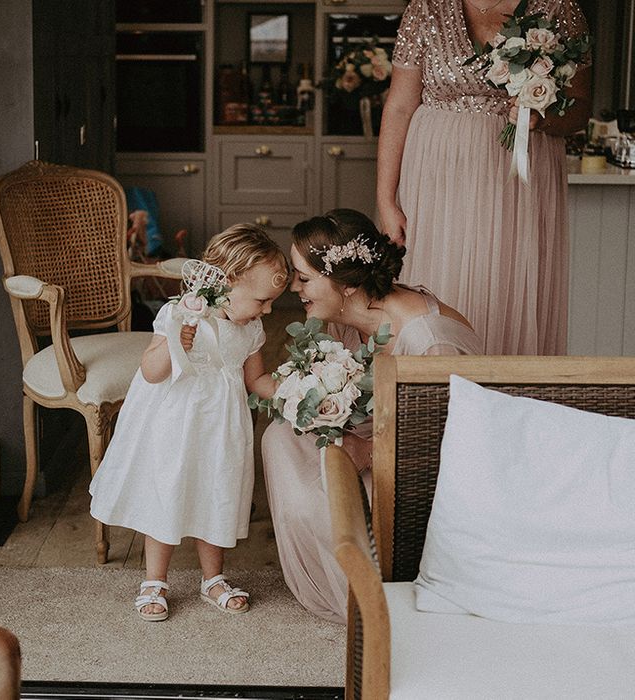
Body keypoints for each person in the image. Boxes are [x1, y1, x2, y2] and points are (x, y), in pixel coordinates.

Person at [262, 208, 482, 623]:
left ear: (346, 284)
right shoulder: (345, 317)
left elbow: (453, 436)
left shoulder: (427, 341)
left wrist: (367, 450)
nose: (295, 288)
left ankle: (373, 599)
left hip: (425, 462)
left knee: (323, 488)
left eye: (304, 278)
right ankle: (339, 586)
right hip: (373, 432)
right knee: (282, 435)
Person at [89, 224, 288, 621]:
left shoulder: (251, 328)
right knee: (167, 491)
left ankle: (213, 579)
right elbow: (151, 371)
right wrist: (175, 342)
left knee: (216, 491)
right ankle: (155, 580)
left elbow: (256, 380)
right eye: (262, 300)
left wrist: (299, 387)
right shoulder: (178, 314)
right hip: (173, 422)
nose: (267, 310)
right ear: (228, 280)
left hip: (222, 425)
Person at [376, 0, 591, 355]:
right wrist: (387, 200)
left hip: (517, 180)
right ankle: (434, 399)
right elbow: (399, 106)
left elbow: (580, 108)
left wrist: (543, 118)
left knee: (506, 289)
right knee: (438, 285)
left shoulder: (557, 7)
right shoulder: (427, 7)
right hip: (436, 182)